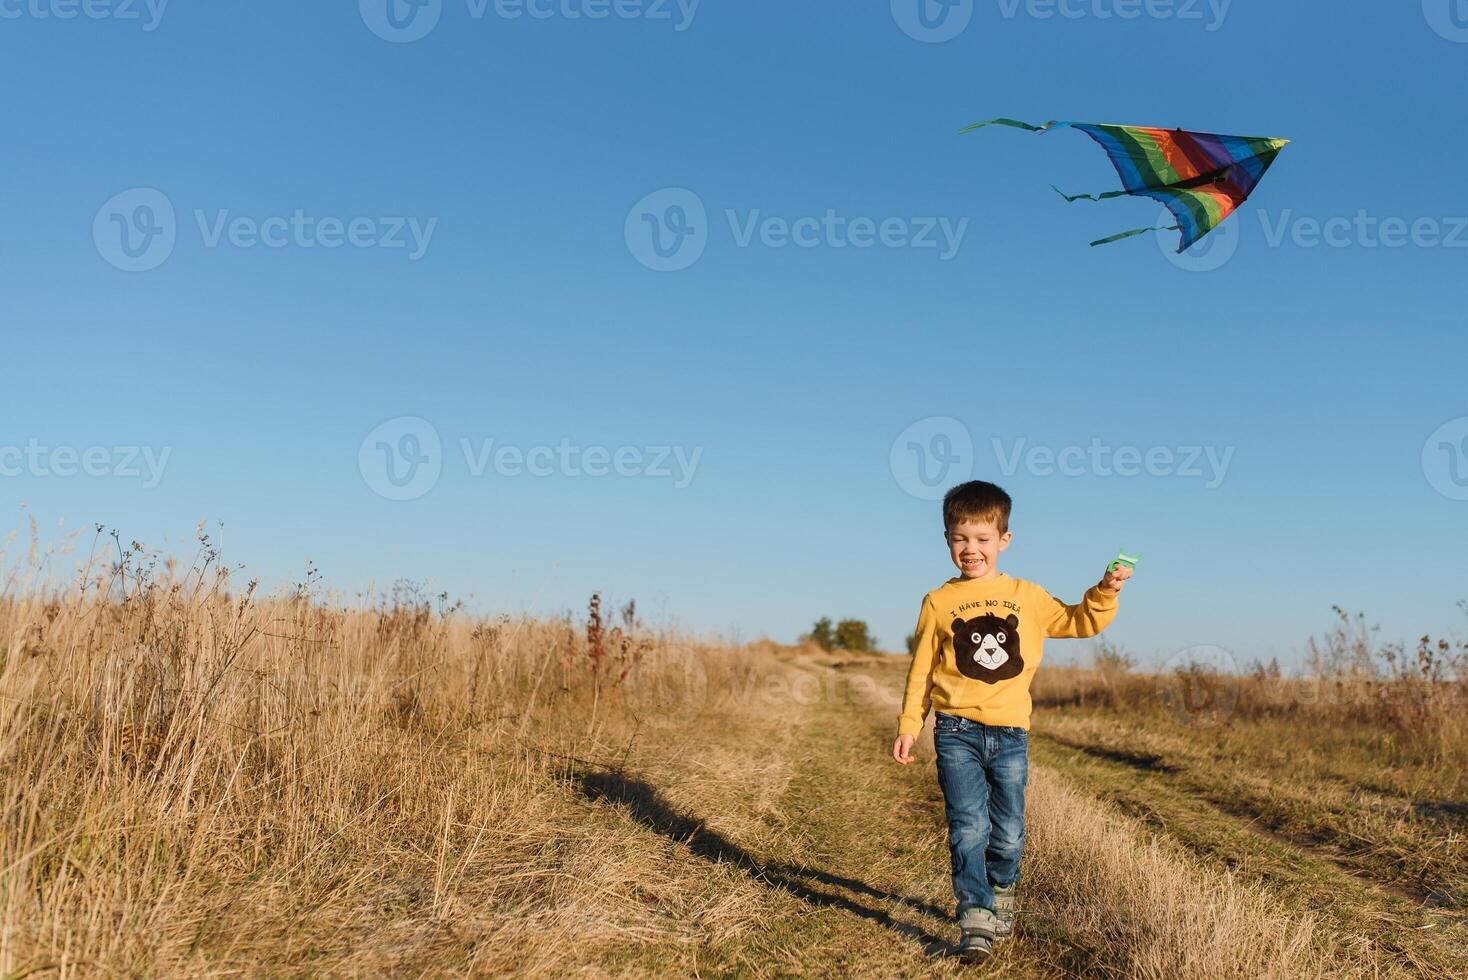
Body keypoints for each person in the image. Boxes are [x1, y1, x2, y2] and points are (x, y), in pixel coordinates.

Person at [891, 480, 1132, 964]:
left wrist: (1105, 591)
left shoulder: (1027, 595)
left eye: (982, 539)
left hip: (1011, 734)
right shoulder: (938, 602)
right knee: (967, 827)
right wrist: (909, 723)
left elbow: (1079, 621)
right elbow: (922, 670)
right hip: (956, 730)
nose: (971, 549)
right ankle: (975, 915)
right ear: (946, 540)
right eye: (961, 538)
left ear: (1004, 540)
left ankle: (1002, 889)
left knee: (1008, 832)